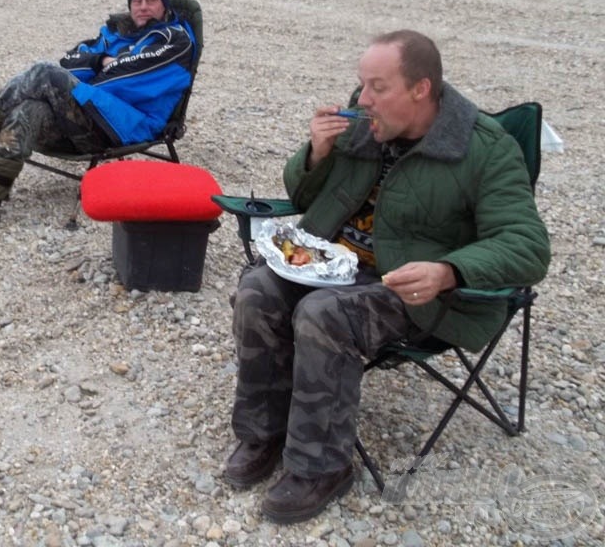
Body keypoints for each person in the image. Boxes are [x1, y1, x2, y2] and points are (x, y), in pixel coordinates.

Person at [224, 30, 550, 524]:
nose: (363, 99)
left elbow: (528, 245)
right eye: (363, 85)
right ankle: (263, 433)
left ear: (421, 89)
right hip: (332, 264)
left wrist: (449, 270)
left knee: (322, 315)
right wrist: (316, 154)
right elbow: (304, 194)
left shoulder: (483, 148)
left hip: (414, 288)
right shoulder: (364, 125)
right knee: (256, 291)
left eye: (378, 87)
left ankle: (321, 468)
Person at [0, 0, 196, 241]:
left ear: (164, 5)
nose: (143, 6)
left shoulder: (174, 39)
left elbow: (125, 76)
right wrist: (99, 62)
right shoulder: (113, 34)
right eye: (137, 0)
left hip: (125, 125)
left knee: (43, 72)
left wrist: (90, 73)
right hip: (88, 113)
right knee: (28, 110)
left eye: (151, 0)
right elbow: (69, 61)